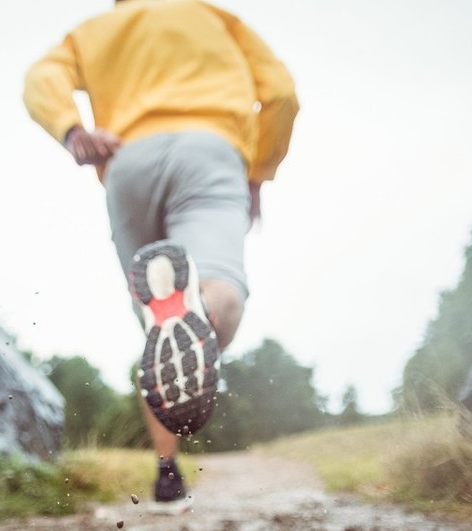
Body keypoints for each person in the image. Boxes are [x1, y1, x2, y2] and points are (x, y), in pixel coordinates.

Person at [24, 0, 298, 504]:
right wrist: (260, 172)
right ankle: (202, 310)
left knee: (159, 328)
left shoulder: (95, 30)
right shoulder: (217, 20)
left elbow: (40, 78)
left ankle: (166, 470)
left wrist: (72, 130)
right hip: (209, 153)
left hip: (126, 160)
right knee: (219, 292)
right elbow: (281, 94)